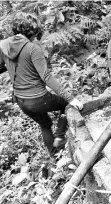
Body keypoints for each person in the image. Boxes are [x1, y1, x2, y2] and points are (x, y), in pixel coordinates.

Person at [0, 12, 83, 157]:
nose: (36, 37)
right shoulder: (32, 48)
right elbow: (46, 77)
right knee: (66, 104)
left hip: (21, 100)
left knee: (44, 124)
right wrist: (71, 98)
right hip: (38, 98)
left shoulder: (4, 46)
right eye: (35, 33)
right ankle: (59, 136)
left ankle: (54, 156)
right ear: (31, 31)